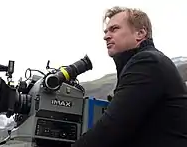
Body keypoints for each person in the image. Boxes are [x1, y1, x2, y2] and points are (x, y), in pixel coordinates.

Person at [71, 6, 187, 147]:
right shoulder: (142, 63)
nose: (106, 36)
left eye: (114, 29)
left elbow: (113, 127)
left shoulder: (147, 62)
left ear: (140, 33)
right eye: (106, 31)